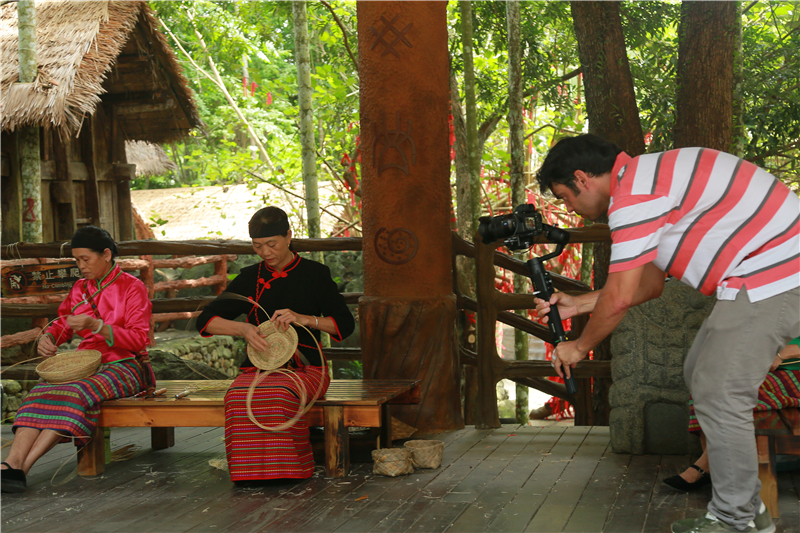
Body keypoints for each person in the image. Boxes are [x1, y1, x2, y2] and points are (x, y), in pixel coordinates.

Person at [533, 134, 799, 533]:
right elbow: (649, 285)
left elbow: (620, 299)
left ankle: (736, 519)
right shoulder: (645, 181)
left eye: (564, 196)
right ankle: (748, 509)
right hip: (762, 274)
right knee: (699, 374)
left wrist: (579, 347)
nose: (568, 207)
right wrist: (579, 304)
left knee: (720, 390)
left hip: (776, 273)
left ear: (582, 179)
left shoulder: (634, 198)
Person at [195, 207, 355, 483]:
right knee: (236, 397)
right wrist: (243, 328)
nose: (265, 252)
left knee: (278, 395)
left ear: (288, 236)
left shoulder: (315, 274)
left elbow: (344, 324)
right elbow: (206, 320)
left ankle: (288, 472)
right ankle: (249, 474)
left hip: (307, 369)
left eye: (272, 244)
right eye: (258, 246)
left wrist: (306, 319)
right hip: (259, 369)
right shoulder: (250, 277)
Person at [1, 226, 153, 493]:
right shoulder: (80, 288)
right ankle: (10, 464)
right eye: (77, 260)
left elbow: (139, 340)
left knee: (74, 392)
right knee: (40, 391)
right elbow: (63, 323)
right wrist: (48, 337)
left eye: (86, 259)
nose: (81, 266)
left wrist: (97, 326)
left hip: (124, 366)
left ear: (106, 254)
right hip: (83, 365)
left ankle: (23, 468)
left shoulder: (132, 287)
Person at [665, 337, 800, 492]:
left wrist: (779, 356)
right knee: (704, 384)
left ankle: (709, 467)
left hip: (792, 373)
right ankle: (716, 468)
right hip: (765, 370)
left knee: (733, 390)